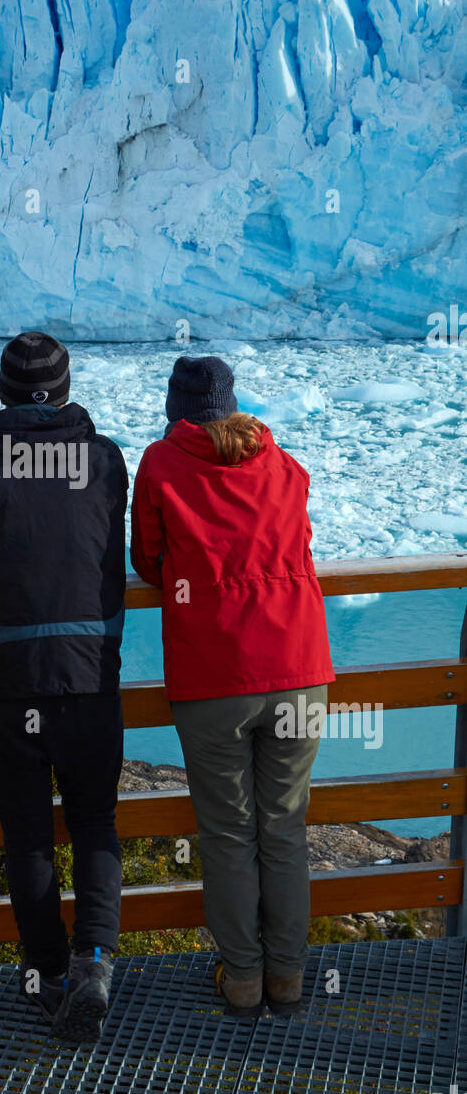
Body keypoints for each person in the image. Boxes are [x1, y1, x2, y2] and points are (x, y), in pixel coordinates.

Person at [130, 356, 334, 1019]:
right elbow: (298, 540)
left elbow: (148, 561)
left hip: (213, 674)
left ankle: (243, 979)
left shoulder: (162, 465)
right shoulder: (284, 463)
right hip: (299, 668)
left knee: (226, 835)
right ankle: (290, 982)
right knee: (284, 830)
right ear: (233, 404)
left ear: (176, 409)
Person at [0, 332, 128, 1041]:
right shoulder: (106, 458)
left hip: (6, 676)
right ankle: (96, 967)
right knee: (95, 821)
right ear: (67, 386)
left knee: (28, 837)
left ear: (3, 390)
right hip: (88, 673)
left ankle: (48, 976)